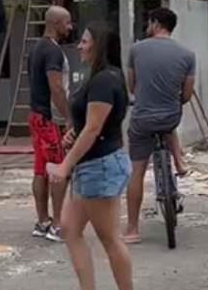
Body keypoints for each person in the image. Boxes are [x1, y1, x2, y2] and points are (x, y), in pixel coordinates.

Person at [50, 24, 133, 290]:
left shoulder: (104, 79)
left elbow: (94, 127)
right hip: (94, 165)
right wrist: (73, 134)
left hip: (100, 166)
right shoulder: (102, 76)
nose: (79, 46)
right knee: (70, 228)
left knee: (109, 238)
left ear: (98, 45)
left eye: (84, 41)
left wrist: (65, 164)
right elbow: (91, 124)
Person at [122, 7, 194, 244]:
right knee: (168, 122)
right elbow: (186, 95)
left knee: (137, 172)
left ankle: (132, 229)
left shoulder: (137, 49)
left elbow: (131, 86)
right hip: (170, 116)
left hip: (142, 119)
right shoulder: (187, 54)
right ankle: (179, 161)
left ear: (154, 23)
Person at [28, 6, 74, 242]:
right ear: (56, 23)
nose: (70, 27)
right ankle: (57, 224)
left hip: (36, 116)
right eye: (67, 23)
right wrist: (67, 117)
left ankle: (42, 220)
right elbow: (56, 87)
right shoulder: (53, 52)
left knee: (40, 169)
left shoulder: (36, 48)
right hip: (49, 118)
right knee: (58, 171)